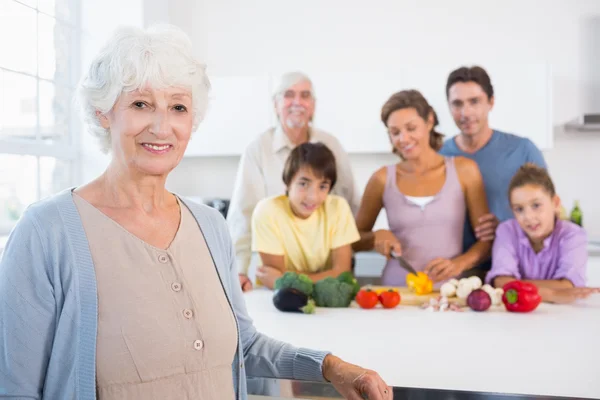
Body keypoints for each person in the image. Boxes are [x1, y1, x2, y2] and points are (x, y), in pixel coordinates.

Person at [0, 25, 392, 400]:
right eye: (140, 103)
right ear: (104, 112)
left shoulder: (209, 226)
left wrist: (331, 366)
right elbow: (15, 390)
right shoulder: (45, 232)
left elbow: (246, 344)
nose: (161, 125)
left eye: (178, 107)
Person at [227, 71, 360, 291]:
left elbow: (351, 201)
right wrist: (239, 269)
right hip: (273, 268)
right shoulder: (258, 149)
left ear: (313, 105)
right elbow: (243, 214)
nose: (297, 102)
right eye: (289, 95)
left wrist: (345, 259)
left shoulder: (331, 145)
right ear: (276, 104)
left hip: (324, 269)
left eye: (305, 95)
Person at [353, 90, 491, 286]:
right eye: (395, 132)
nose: (404, 138)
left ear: (429, 121)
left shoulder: (464, 171)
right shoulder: (382, 179)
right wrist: (376, 236)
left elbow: (486, 239)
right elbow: (352, 240)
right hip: (397, 293)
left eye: (411, 128)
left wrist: (458, 264)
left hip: (449, 292)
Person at [439, 65, 548, 272]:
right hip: (456, 270)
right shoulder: (438, 156)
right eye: (457, 104)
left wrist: (507, 227)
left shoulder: (522, 150)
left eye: (474, 102)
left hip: (515, 267)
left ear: (491, 102)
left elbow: (548, 213)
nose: (466, 113)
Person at [486, 163, 600, 303]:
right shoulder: (507, 231)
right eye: (519, 209)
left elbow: (569, 285)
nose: (528, 217)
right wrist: (552, 294)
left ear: (555, 203)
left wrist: (515, 284)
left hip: (563, 315)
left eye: (536, 205)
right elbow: (501, 282)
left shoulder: (573, 235)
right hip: (518, 315)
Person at [251, 142, 360, 289]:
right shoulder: (267, 211)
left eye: (322, 186)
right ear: (288, 182)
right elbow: (277, 277)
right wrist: (326, 278)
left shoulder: (337, 208)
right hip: (275, 301)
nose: (313, 197)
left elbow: (342, 273)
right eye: (303, 184)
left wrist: (286, 279)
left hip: (322, 302)